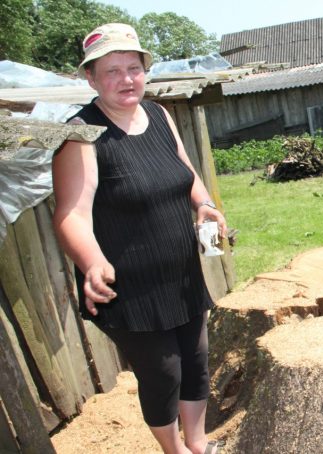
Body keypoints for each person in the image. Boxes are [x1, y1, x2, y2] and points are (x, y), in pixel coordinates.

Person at [52, 23, 226, 454]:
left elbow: (186, 177)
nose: (126, 79)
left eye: (133, 67)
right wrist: (91, 261)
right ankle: (174, 450)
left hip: (180, 275)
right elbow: (70, 214)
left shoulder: (161, 116)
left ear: (146, 72)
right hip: (127, 288)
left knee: (196, 362)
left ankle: (199, 444)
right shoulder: (81, 134)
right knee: (163, 372)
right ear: (90, 79)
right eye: (111, 71)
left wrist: (204, 205)